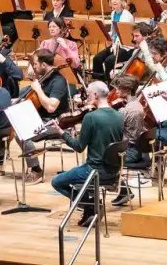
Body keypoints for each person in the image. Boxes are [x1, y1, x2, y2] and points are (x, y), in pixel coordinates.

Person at [38, 80, 125, 226]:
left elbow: (78, 147)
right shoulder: (119, 115)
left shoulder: (91, 117)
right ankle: (90, 207)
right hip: (114, 170)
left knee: (57, 181)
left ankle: (90, 205)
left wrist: (61, 133)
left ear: (96, 95)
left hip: (94, 170)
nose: (87, 98)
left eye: (89, 94)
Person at [17, 51, 70, 180]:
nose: (33, 66)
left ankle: (37, 170)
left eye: (35, 64)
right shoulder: (45, 78)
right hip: (40, 119)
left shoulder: (59, 81)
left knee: (23, 135)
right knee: (16, 128)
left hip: (56, 122)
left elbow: (51, 107)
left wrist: (38, 89)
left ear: (43, 64)